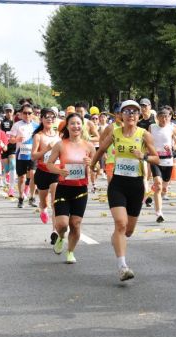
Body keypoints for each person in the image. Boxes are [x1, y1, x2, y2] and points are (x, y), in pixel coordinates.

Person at [91, 100, 159, 281]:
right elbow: (101, 150)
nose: (131, 115)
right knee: (120, 224)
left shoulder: (144, 134)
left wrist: (143, 156)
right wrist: (92, 165)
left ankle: (117, 238)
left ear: (138, 116)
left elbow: (157, 159)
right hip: (118, 184)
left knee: (128, 231)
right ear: (121, 115)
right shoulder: (114, 133)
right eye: (127, 111)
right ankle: (122, 266)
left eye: (135, 112)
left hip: (136, 186)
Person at [46, 112, 95, 264]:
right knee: (62, 225)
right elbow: (49, 164)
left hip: (80, 189)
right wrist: (59, 171)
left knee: (75, 223)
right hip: (63, 188)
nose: (75, 126)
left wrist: (91, 164)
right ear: (67, 126)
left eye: (78, 123)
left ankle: (70, 252)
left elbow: (97, 168)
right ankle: (61, 237)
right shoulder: (60, 144)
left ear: (82, 126)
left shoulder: (89, 146)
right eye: (72, 123)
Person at [149, 106, 176, 223]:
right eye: (161, 117)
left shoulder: (172, 129)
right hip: (156, 160)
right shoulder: (152, 127)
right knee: (157, 184)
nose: (164, 119)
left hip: (168, 161)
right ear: (157, 118)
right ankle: (159, 213)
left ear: (170, 117)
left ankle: (160, 198)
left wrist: (173, 147)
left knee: (164, 188)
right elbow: (147, 142)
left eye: (166, 117)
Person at [31, 108, 61, 224]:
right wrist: (47, 149)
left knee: (55, 201)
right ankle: (43, 209)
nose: (49, 119)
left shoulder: (58, 135)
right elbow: (33, 156)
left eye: (52, 117)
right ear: (41, 119)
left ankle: (55, 230)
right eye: (46, 117)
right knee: (44, 202)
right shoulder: (38, 136)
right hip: (43, 172)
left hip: (56, 171)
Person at [8, 103, 39, 208]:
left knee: (33, 175)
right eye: (25, 113)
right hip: (21, 155)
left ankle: (32, 197)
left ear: (32, 114)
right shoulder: (17, 125)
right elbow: (10, 140)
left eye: (29, 113)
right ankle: (21, 198)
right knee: (22, 177)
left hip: (32, 155)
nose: (27, 115)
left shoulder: (36, 126)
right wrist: (16, 139)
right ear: (21, 114)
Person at [0, 104, 17, 197]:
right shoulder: (2, 122)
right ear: (4, 112)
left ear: (13, 111)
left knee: (13, 165)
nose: (9, 113)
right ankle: (6, 177)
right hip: (4, 146)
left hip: (13, 147)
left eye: (10, 111)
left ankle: (11, 188)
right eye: (7, 111)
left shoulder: (16, 122)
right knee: (6, 168)